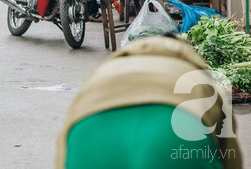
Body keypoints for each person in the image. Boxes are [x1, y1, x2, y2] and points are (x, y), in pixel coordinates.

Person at [56, 36, 241, 168]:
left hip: (89, 135)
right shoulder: (198, 76)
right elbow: (231, 157)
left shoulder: (103, 72)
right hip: (177, 143)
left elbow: (63, 153)